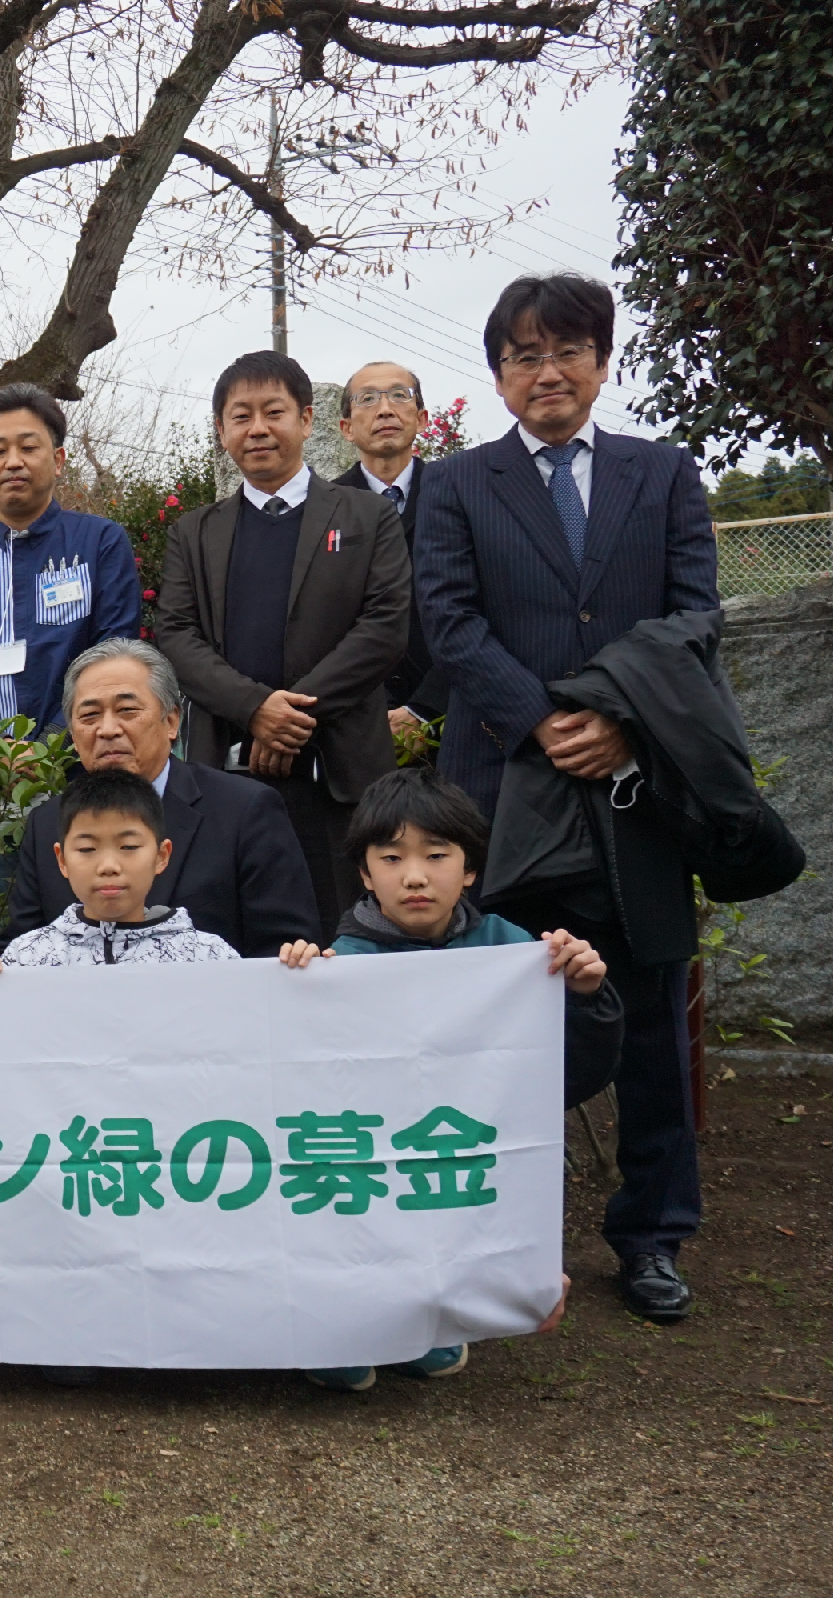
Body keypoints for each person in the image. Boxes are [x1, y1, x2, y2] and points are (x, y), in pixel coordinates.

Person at [414, 272, 720, 1324]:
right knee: (496, 1011)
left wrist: (621, 716)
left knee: (645, 1015)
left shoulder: (663, 472)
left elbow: (692, 617)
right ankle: (491, 1230)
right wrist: (545, 720)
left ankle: (649, 1234)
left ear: (599, 361)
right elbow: (446, 623)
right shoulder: (452, 485)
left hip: (637, 782)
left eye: (566, 351)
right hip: (505, 784)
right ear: (496, 375)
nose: (545, 371)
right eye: (522, 355)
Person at [276, 767, 615, 1390]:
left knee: (444, 1212)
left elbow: (571, 1074)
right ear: (364, 872)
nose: (414, 876)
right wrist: (297, 982)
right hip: (368, 1147)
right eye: (392, 857)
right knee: (355, 1218)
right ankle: (343, 1331)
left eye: (436, 856)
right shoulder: (340, 962)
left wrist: (587, 994)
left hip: (453, 1147)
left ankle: (424, 1327)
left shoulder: (512, 955)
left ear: (469, 869)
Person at [154, 351, 413, 942]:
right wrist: (254, 710)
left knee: (342, 934)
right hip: (228, 767)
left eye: (274, 412)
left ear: (307, 418)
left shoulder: (368, 516)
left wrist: (290, 714)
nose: (258, 428)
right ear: (221, 432)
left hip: (340, 771)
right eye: (240, 416)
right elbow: (175, 634)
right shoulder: (195, 531)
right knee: (232, 936)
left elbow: (384, 629)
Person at [2, 639, 318, 958]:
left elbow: (284, 951)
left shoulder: (245, 810)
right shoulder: (48, 823)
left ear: (171, 722)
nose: (107, 729)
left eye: (127, 710)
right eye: (89, 716)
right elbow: (23, 950)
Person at [0, 382, 141, 781]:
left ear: (58, 459)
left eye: (29, 448)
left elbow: (115, 652)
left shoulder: (100, 542)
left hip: (80, 772)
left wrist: (51, 744)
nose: (13, 461)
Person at [0, 770, 238, 971]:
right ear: (61, 859)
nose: (108, 867)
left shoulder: (207, 957)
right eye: (86, 849)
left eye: (129, 846)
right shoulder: (27, 957)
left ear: (161, 855)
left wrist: (282, 972)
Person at [333, 363, 449, 736]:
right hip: (356, 721)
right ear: (346, 428)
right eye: (367, 399)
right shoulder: (323, 510)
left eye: (400, 395)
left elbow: (485, 610)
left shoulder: (458, 498)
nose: (385, 409)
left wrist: (424, 707)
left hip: (452, 714)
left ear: (422, 417)